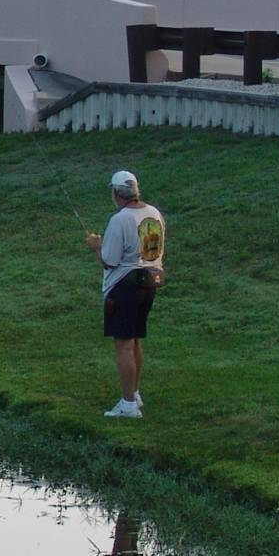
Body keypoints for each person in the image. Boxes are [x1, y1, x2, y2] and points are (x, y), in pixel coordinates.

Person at [85, 169, 165, 419]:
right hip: (149, 283)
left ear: (116, 194)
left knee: (123, 345)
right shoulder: (154, 213)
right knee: (135, 340)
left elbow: (109, 260)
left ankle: (129, 403)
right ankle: (135, 393)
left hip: (124, 287)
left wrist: (96, 247)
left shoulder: (120, 220)